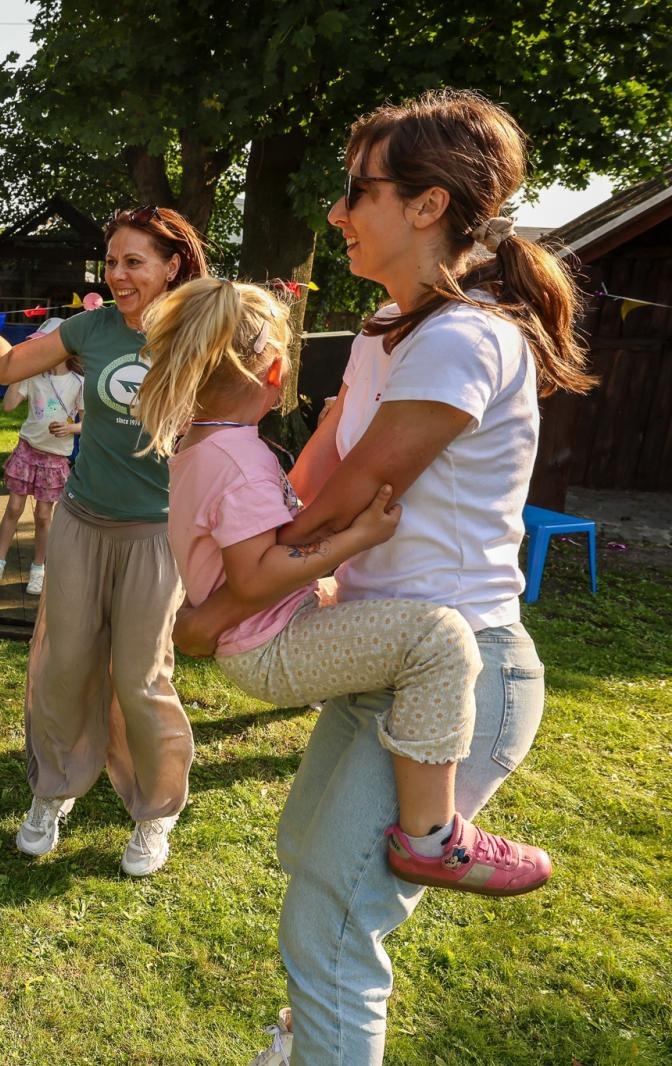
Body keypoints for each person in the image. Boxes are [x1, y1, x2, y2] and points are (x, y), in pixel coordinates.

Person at [165, 91, 594, 1064]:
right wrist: (232, 558)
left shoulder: (463, 339)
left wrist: (221, 606)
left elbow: (359, 492)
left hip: (459, 668)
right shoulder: (382, 332)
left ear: (427, 204)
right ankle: (303, 1040)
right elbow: (316, 464)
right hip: (376, 653)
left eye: (357, 192)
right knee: (314, 878)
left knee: (334, 924)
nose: (335, 212)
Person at [138, 276, 552, 901]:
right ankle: (433, 836)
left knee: (418, 636)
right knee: (438, 640)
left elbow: (247, 567)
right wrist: (356, 540)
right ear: (276, 371)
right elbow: (254, 576)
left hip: (263, 635)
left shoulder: (208, 449)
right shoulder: (239, 460)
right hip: (270, 646)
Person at [0, 205, 207, 877]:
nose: (118, 275)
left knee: (142, 674)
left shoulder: (199, 330)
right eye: (112, 262)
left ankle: (155, 811)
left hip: (157, 532)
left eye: (134, 262)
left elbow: (247, 404)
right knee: (63, 664)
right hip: (82, 521)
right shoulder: (89, 328)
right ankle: (53, 791)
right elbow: (6, 368)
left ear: (172, 266)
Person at [0, 316, 82, 595]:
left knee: (43, 516)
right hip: (27, 450)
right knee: (13, 508)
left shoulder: (78, 383)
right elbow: (9, 406)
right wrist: (19, 374)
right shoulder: (33, 377)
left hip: (54, 459)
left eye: (44, 348)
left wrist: (71, 427)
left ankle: (39, 569)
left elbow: (90, 422)